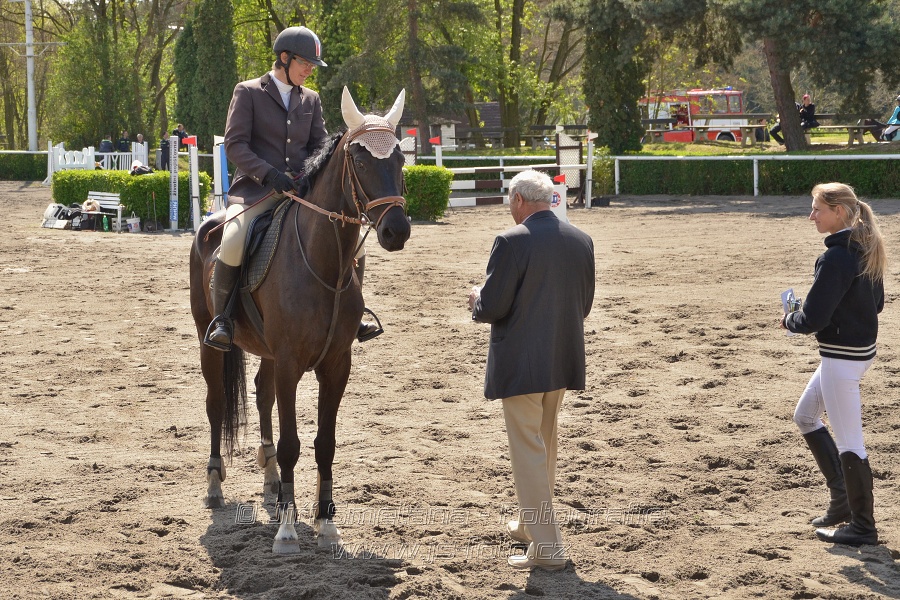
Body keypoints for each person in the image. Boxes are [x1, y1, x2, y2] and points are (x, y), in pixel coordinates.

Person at [204, 26, 380, 351]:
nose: (310, 69)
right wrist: (269, 174)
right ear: (284, 58)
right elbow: (235, 144)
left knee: (356, 244)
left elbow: (320, 145)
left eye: (313, 65)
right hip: (258, 192)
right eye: (306, 63)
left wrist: (311, 175)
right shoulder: (248, 91)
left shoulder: (310, 99)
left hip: (301, 193)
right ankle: (224, 320)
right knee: (231, 241)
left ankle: (354, 313)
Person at [468, 169, 595, 571]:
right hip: (561, 356)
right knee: (545, 444)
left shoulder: (511, 241)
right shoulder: (581, 240)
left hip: (521, 363)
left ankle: (547, 548)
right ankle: (528, 523)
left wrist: (475, 296)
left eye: (510, 201)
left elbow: (491, 307)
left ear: (519, 200)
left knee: (528, 452)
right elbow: (584, 305)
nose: (509, 208)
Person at [781, 182, 886, 547]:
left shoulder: (835, 257)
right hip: (855, 353)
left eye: (817, 210)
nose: (811, 216)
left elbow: (813, 319)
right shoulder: (864, 246)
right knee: (805, 416)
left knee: (851, 443)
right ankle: (842, 500)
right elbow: (877, 304)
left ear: (837, 212)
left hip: (841, 360)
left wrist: (790, 320)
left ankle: (863, 526)